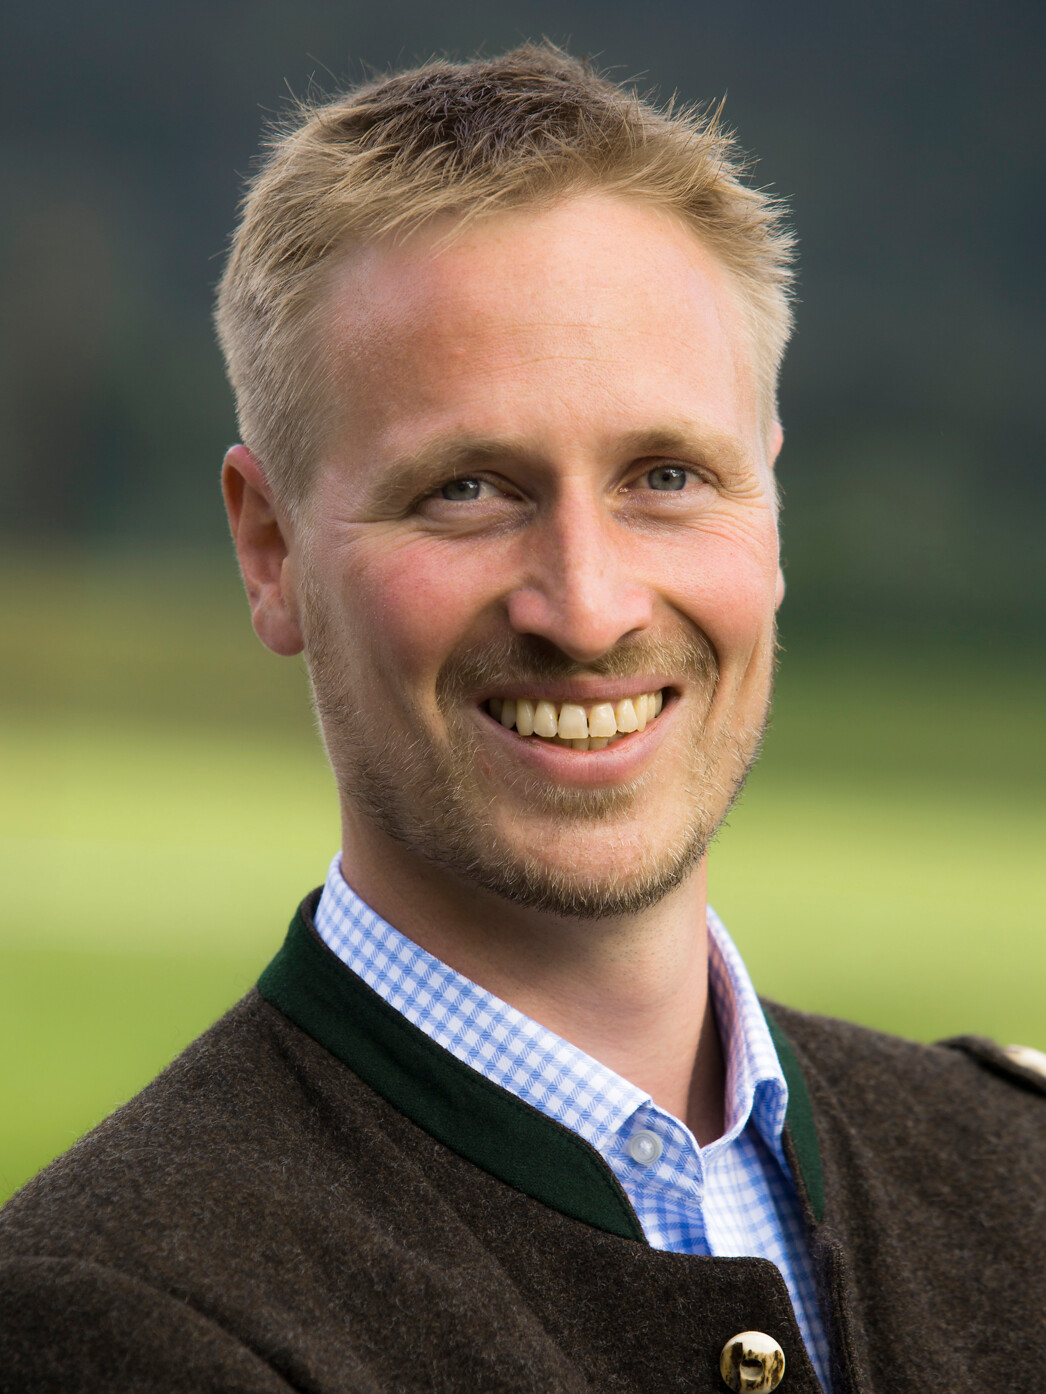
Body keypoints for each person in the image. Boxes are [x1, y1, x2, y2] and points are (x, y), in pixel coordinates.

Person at [1, 44, 1043, 1394]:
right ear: (270, 551)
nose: (589, 605)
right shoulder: (118, 1323)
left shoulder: (1013, 1173)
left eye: (665, 474)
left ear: (768, 505)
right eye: (468, 490)